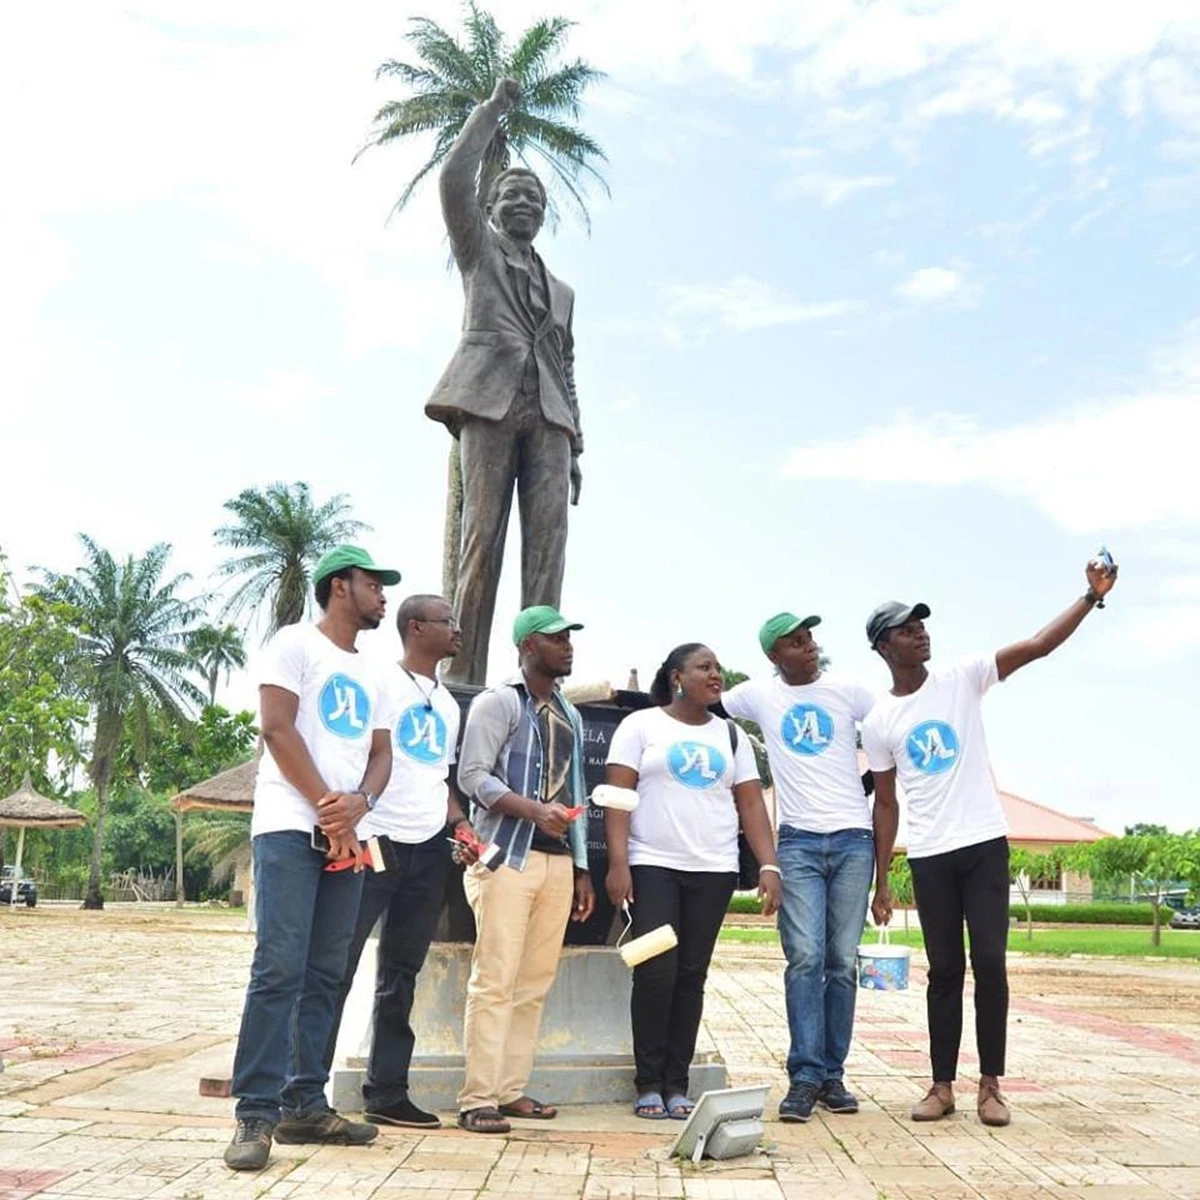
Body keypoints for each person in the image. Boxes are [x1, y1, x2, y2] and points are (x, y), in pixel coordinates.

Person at [863, 554, 1118, 1128]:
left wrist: (1090, 597)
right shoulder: (880, 721)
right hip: (928, 853)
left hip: (982, 845)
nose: (921, 632)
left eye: (921, 623)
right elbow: (885, 802)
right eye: (907, 628)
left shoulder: (964, 676)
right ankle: (941, 1085)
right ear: (884, 646)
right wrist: (882, 880)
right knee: (944, 970)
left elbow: (1037, 645)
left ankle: (992, 1086)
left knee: (992, 964)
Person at [224, 546, 400, 1172]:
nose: (383, 595)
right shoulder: (293, 644)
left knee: (327, 973)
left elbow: (381, 754)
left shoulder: (377, 672)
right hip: (290, 827)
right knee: (279, 969)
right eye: (372, 583)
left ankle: (305, 1102)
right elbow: (277, 728)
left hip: (350, 834)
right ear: (339, 586)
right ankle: (255, 1111)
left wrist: (360, 802)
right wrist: (329, 807)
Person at [428, 77, 585, 686]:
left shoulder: (565, 293)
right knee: (480, 540)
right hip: (488, 405)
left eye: (533, 198)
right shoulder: (479, 253)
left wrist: (576, 443)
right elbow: (451, 181)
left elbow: (567, 366)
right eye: (511, 195)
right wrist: (492, 111)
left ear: (542, 215)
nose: (523, 204)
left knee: (548, 551)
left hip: (549, 418)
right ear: (492, 208)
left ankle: (537, 679)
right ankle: (462, 676)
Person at [605, 643, 782, 1120]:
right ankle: (647, 1082)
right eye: (705, 667)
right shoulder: (640, 726)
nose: (716, 674)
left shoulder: (730, 735)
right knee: (656, 971)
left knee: (691, 976)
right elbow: (618, 797)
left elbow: (750, 804)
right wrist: (618, 863)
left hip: (714, 870)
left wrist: (769, 864)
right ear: (677, 676)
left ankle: (676, 1084)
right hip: (652, 864)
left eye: (718, 667)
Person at [322, 594, 473, 1129]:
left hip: (429, 849)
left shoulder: (450, 704)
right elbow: (362, 756)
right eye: (446, 621)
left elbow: (440, 777)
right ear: (416, 628)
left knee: (402, 973)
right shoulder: (380, 682)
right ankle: (305, 1089)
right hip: (375, 841)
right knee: (336, 967)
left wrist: (460, 822)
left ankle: (386, 1091)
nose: (457, 630)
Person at [721, 613, 877, 1122]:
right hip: (797, 844)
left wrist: (868, 785)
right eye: (795, 642)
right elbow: (699, 701)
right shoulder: (758, 697)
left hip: (855, 840)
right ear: (774, 656)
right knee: (805, 957)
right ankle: (805, 1075)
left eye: (809, 638)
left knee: (842, 959)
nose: (808, 647)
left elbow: (890, 731)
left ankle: (833, 1074)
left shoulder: (849, 691)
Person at [453, 605, 596, 1133]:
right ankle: (477, 1099)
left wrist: (582, 869)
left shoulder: (569, 714)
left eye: (569, 637)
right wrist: (533, 810)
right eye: (557, 638)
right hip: (505, 858)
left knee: (534, 982)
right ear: (529, 646)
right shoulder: (499, 702)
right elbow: (472, 777)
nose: (569, 646)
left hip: (556, 863)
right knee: (494, 980)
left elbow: (575, 791)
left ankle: (510, 1090)